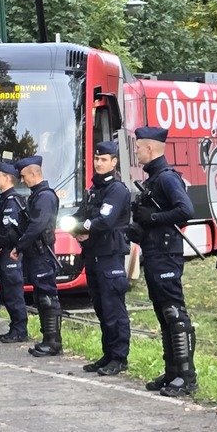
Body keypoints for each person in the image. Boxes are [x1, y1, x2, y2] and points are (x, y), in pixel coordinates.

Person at [129, 126, 197, 397]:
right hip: (155, 252)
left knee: (174, 313)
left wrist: (154, 218)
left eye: (138, 147)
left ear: (150, 148)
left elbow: (186, 210)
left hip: (167, 255)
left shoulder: (167, 178)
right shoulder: (152, 179)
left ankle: (186, 376)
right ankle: (172, 371)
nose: (136, 151)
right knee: (163, 314)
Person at [69, 141, 132, 375]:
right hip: (94, 256)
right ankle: (108, 354)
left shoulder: (116, 190)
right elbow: (79, 216)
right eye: (96, 159)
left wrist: (83, 227)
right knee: (102, 309)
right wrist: (75, 227)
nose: (98, 163)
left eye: (104, 159)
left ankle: (119, 358)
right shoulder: (94, 189)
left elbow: (105, 221)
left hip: (110, 257)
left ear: (114, 162)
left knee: (114, 308)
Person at [15, 155, 63, 357]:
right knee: (40, 296)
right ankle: (47, 339)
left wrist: (19, 246)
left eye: (24, 176)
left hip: (42, 253)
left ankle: (53, 342)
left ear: (34, 173)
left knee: (47, 297)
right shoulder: (36, 195)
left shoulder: (45, 196)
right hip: (35, 253)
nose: (22, 180)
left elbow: (38, 225)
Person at [0, 161, 28, 343]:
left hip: (11, 252)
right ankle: (15, 327)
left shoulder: (12, 200)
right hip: (4, 252)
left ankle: (20, 330)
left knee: (13, 292)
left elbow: (10, 231)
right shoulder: (4, 199)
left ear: (7, 178)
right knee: (6, 292)